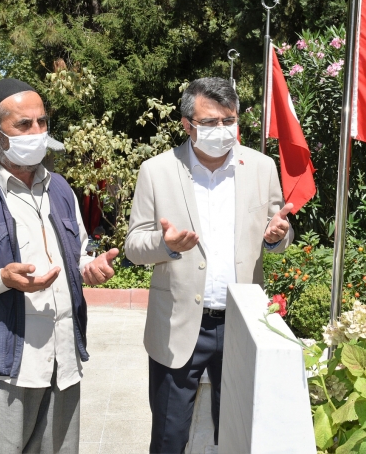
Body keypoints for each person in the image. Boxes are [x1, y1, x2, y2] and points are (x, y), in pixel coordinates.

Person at [0, 78, 118, 454]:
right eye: (24, 125)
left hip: (63, 366)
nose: (37, 133)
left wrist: (88, 267)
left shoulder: (61, 189)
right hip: (0, 375)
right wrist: (1, 279)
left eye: (42, 122)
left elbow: (74, 255)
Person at [124, 77, 294, 454]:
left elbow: (277, 230)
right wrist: (164, 245)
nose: (221, 130)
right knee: (169, 437)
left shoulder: (262, 167)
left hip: (242, 321)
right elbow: (134, 246)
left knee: (239, 433)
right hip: (179, 324)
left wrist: (277, 236)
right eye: (210, 122)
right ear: (187, 125)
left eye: (228, 121)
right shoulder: (157, 170)